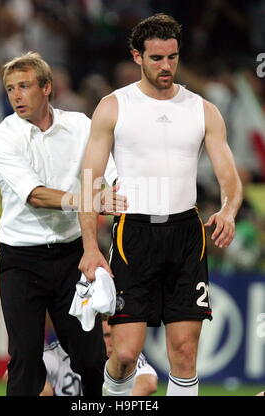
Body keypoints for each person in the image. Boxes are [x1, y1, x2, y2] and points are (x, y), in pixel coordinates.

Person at [78, 13, 243, 396]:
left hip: (186, 234)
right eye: (156, 58)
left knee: (185, 352)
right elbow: (89, 179)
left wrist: (229, 209)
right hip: (131, 234)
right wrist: (89, 247)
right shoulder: (113, 106)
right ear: (137, 56)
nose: (166, 66)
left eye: (172, 57)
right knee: (124, 353)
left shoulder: (203, 110)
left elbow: (229, 176)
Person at [0, 52, 127, 396]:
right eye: (10, 89)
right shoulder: (3, 138)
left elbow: (112, 177)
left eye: (24, 86)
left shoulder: (80, 126)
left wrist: (124, 198)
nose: (16, 95)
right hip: (21, 262)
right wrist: (93, 201)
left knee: (92, 357)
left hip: (71, 257)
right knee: (24, 358)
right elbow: (35, 195)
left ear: (47, 87)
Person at [40, 318, 158, 396]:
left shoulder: (124, 355)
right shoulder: (58, 353)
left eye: (114, 336)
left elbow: (148, 383)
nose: (113, 342)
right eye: (106, 336)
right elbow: (34, 382)